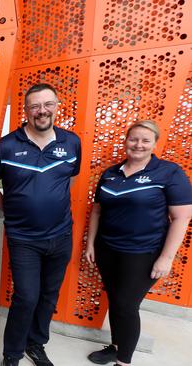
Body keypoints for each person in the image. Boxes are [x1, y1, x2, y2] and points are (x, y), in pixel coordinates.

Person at [84, 120, 192, 366]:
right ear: (126, 141)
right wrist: (91, 244)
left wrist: (166, 257)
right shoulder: (111, 173)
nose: (138, 145)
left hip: (143, 252)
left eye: (145, 140)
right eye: (133, 139)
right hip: (108, 249)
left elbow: (182, 217)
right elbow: (97, 211)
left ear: (155, 143)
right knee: (115, 299)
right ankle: (116, 346)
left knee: (126, 304)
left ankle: (124, 361)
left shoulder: (169, 172)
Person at [0, 83, 81, 366]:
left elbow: (71, 177)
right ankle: (12, 353)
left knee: (48, 295)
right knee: (27, 296)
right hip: (23, 237)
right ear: (26, 110)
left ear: (57, 105)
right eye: (35, 106)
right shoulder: (7, 145)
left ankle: (36, 344)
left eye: (47, 104)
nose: (42, 111)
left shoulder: (71, 142)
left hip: (61, 235)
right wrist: (13, 208)